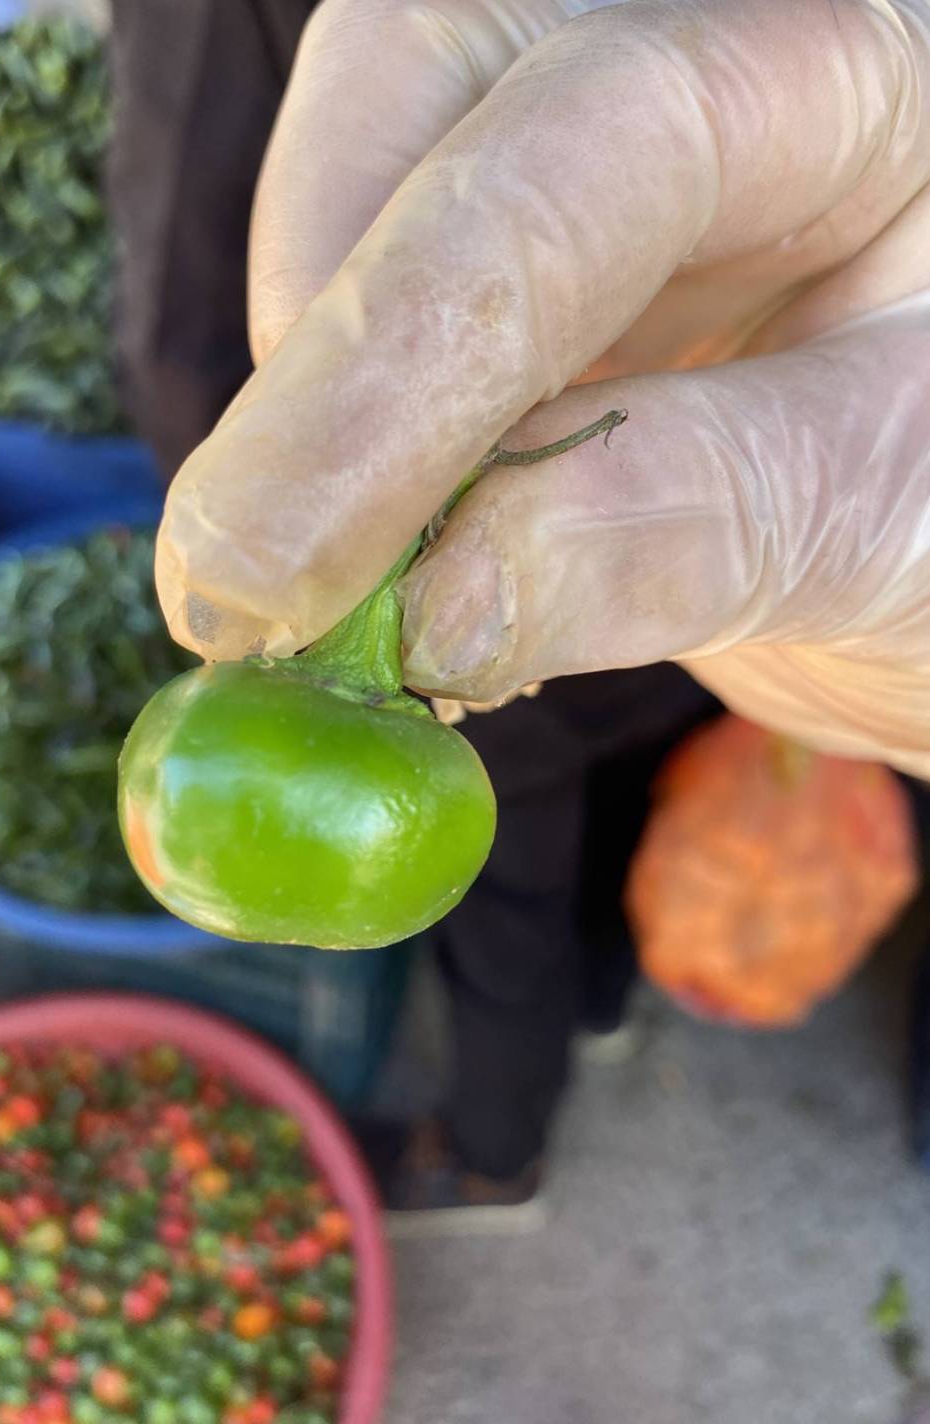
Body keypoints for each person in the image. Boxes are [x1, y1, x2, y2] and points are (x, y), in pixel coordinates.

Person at [113, 0, 930, 1219]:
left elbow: (183, 268)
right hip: (640, 570)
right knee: (577, 790)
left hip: (554, 535)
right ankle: (548, 1063)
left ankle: (504, 1128)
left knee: (524, 853)